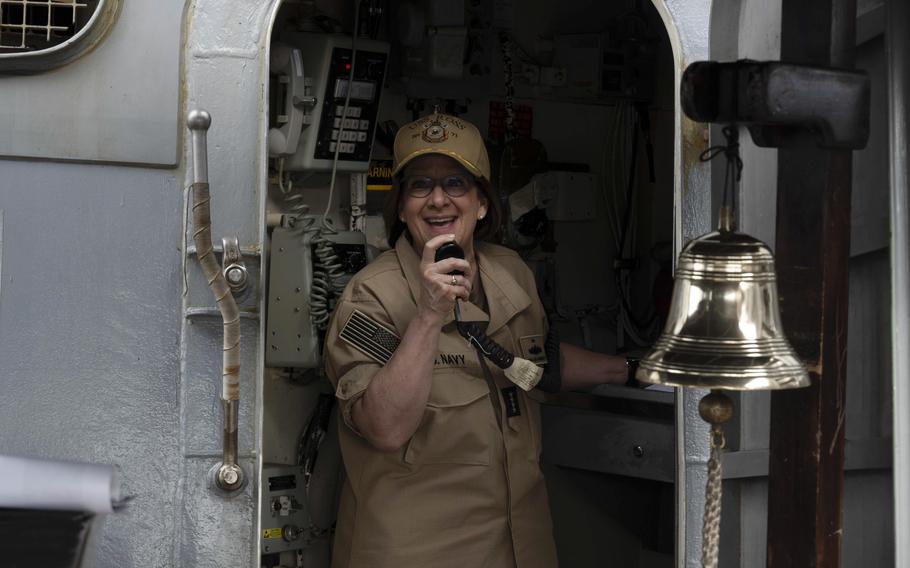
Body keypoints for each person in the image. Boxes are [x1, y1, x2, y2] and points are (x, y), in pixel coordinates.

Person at [323, 111, 630, 568]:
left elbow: (532, 361)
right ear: (403, 207)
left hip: (519, 543)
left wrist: (634, 371)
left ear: (482, 203)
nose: (438, 201)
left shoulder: (510, 271)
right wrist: (428, 315)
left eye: (455, 184)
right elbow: (383, 427)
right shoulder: (372, 296)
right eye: (420, 186)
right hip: (416, 552)